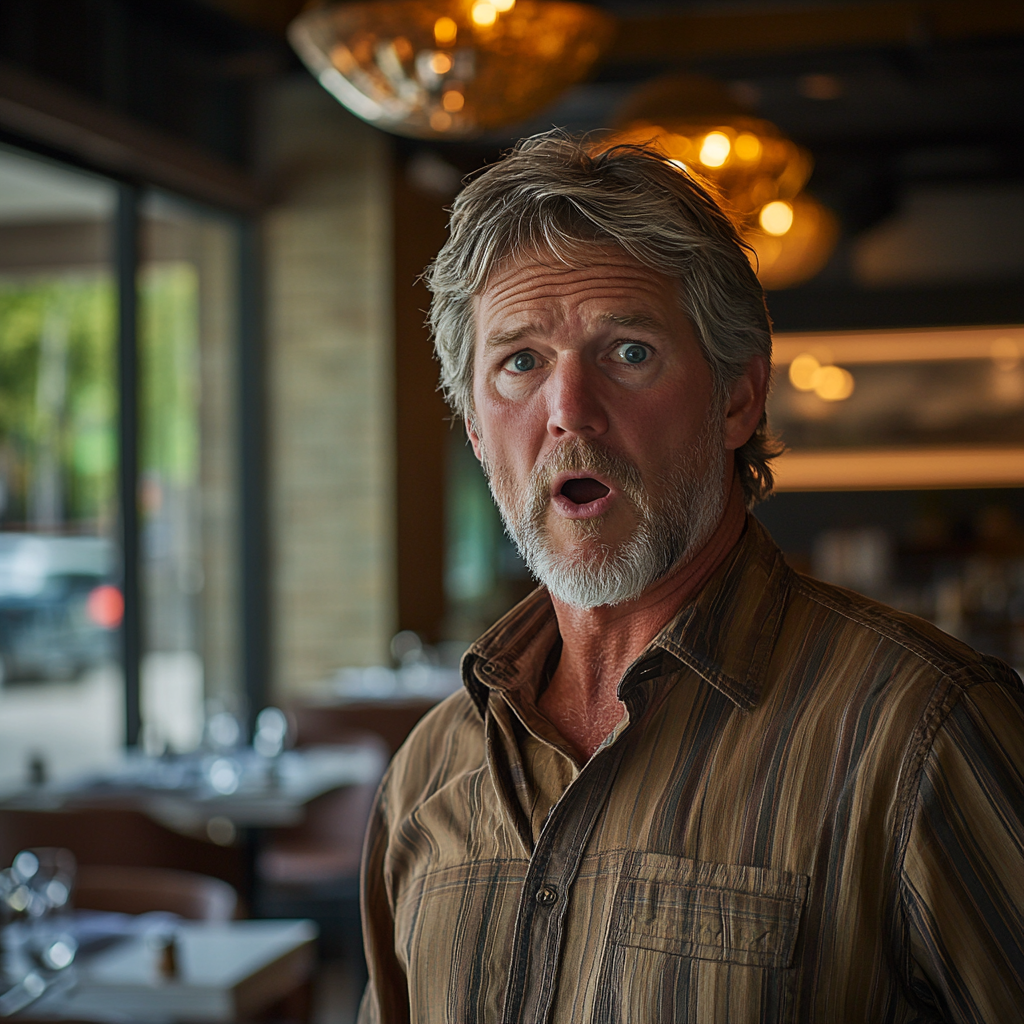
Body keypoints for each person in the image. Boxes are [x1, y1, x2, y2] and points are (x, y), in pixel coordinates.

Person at [357, 132, 1024, 1023]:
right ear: (478, 431)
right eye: (519, 361)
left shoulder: (922, 734)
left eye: (628, 351)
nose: (568, 412)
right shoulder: (429, 774)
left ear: (738, 400)